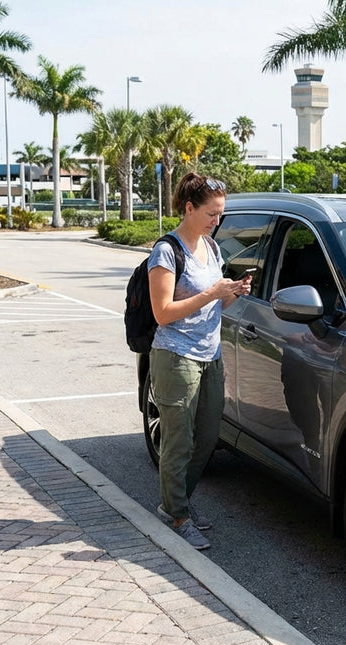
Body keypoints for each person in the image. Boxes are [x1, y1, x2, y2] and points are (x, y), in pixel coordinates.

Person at [146, 173, 251, 550]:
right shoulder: (166, 251)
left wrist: (233, 293)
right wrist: (212, 292)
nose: (216, 221)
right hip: (176, 356)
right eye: (211, 213)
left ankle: (182, 501)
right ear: (188, 208)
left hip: (211, 354)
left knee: (206, 438)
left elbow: (215, 305)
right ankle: (175, 514)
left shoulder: (212, 248)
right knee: (179, 441)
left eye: (220, 215)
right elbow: (163, 312)